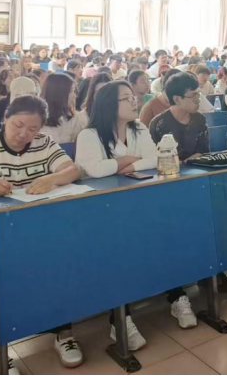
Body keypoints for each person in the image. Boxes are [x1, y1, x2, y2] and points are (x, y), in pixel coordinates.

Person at [0, 95, 82, 374]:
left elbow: (73, 170)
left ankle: (63, 334)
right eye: (18, 125)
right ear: (5, 118)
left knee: (60, 262)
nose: (24, 135)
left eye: (33, 129)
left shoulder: (44, 143)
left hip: (31, 224)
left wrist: (51, 178)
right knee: (9, 276)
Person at [76, 81, 171, 345]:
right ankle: (119, 318)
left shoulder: (138, 128)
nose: (134, 102)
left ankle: (176, 294)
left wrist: (123, 165)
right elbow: (95, 170)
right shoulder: (89, 135)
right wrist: (126, 161)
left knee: (169, 230)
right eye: (126, 98)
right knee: (116, 248)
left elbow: (156, 159)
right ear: (109, 104)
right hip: (100, 209)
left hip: (137, 203)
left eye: (133, 97)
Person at [41, 73, 88, 144]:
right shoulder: (37, 120)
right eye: (71, 91)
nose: (75, 96)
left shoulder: (78, 120)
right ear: (59, 94)